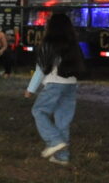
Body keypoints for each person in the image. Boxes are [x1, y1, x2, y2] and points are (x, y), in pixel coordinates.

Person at [25, 13, 85, 166]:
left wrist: (31, 89)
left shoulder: (48, 44)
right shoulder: (73, 44)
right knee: (63, 120)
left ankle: (54, 141)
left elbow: (40, 69)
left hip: (54, 83)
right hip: (70, 84)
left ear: (51, 27)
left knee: (39, 111)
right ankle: (62, 157)